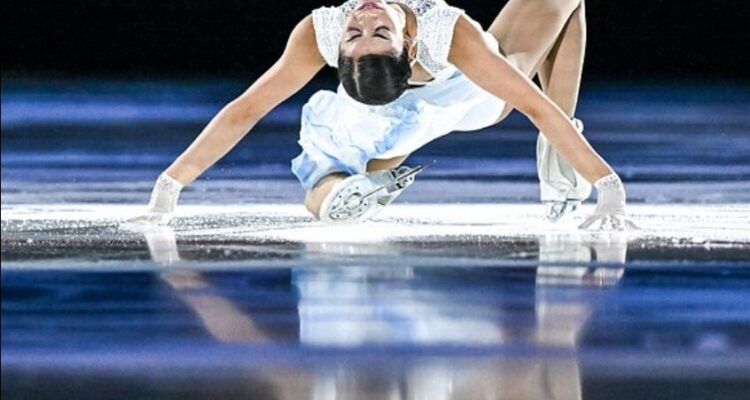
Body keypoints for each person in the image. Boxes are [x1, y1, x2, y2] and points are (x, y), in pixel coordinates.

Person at [133, 0, 637, 230]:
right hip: (407, 108)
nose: (365, 18)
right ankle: (559, 163)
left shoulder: (330, 28)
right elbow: (246, 109)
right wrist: (169, 186)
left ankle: (354, 185)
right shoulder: (445, 32)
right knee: (560, 10)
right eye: (364, 33)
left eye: (364, 32)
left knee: (336, 162)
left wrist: (169, 186)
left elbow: (248, 110)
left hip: (421, 107)